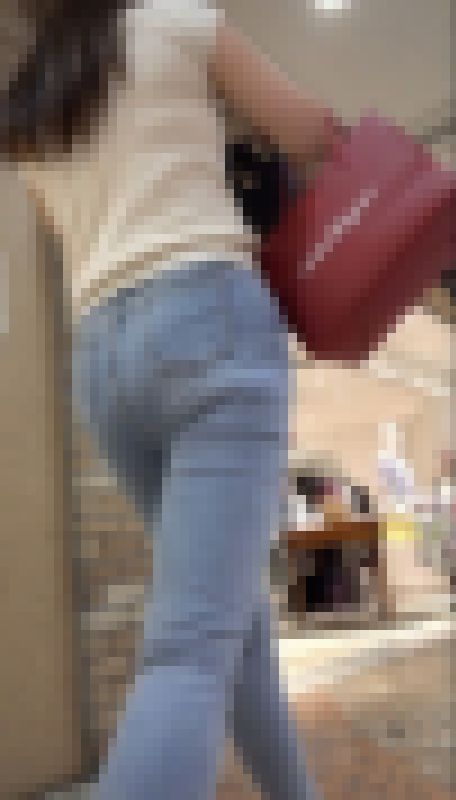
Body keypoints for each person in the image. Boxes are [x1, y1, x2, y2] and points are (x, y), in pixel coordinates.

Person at [3, 2, 337, 797]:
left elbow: (68, 229)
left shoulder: (26, 107)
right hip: (206, 319)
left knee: (233, 626)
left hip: (103, 362)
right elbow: (310, 133)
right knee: (189, 652)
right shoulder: (176, 21)